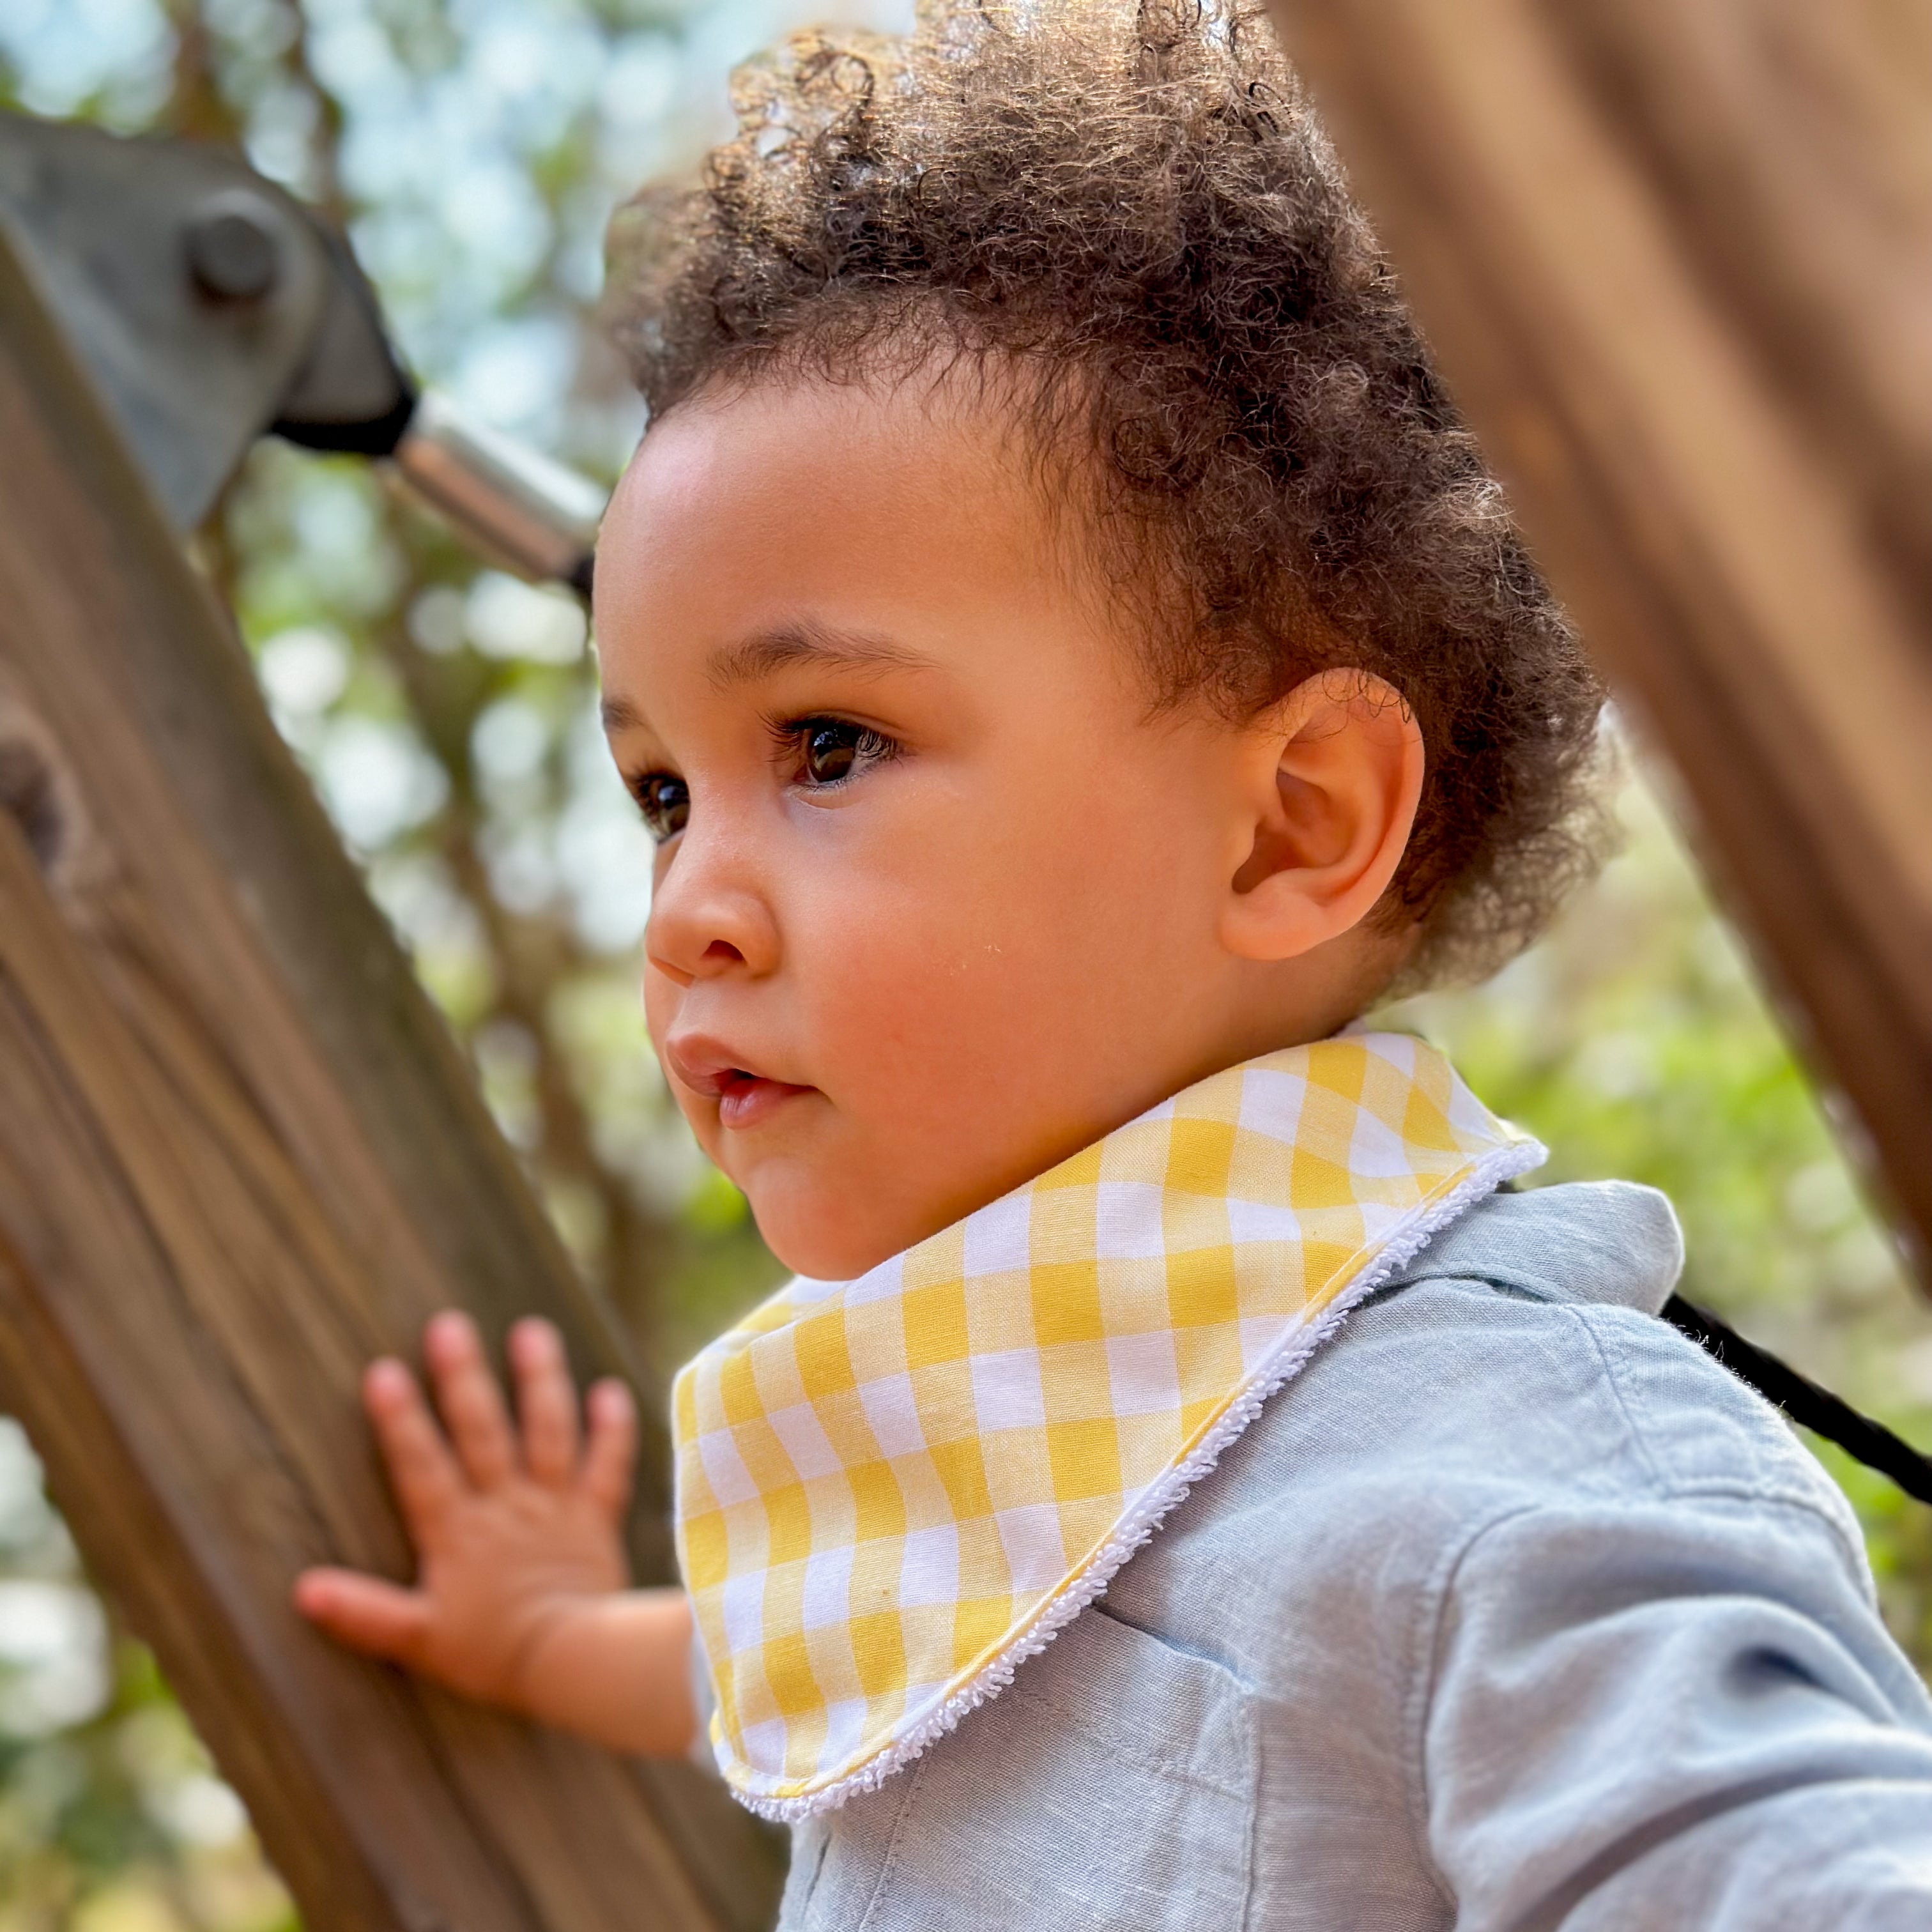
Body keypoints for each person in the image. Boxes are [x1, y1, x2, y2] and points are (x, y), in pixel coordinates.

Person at [293, 1, 1932, 1923]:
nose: (683, 910)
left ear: (1293, 825)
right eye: (662, 792)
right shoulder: (1039, 1411)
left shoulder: (1532, 1472)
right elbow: (920, 1630)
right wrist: (558, 1640)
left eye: (825, 747)